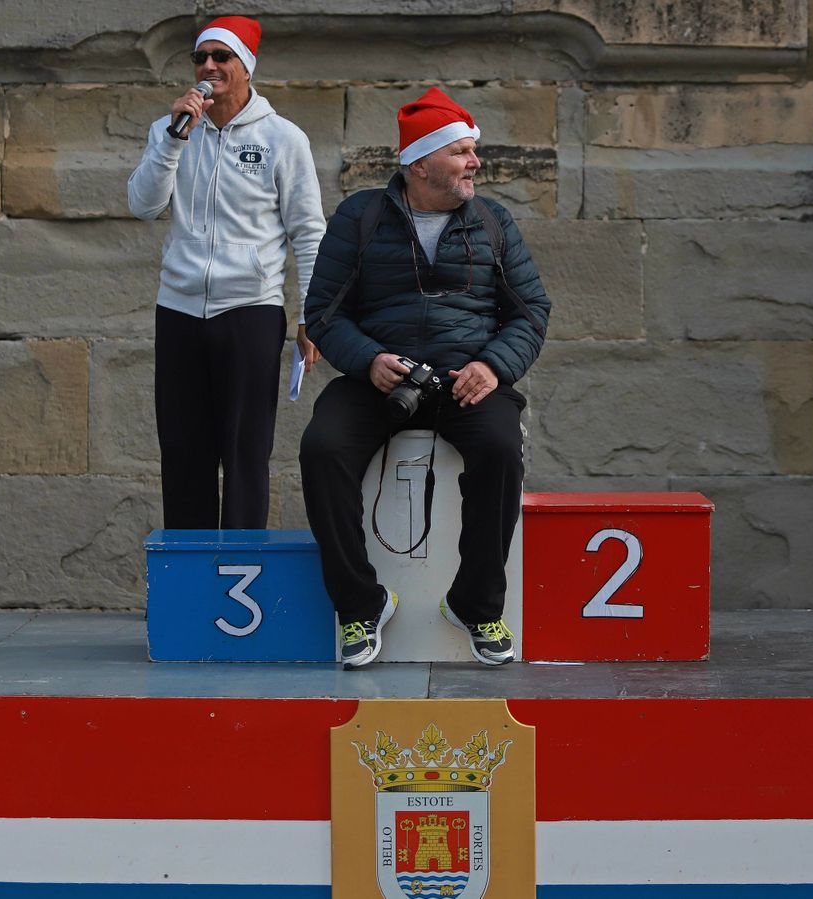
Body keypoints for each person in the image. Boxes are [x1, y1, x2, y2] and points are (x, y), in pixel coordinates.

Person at [300, 87, 552, 669]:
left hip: (469, 379)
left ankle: (476, 603)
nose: (475, 162)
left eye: (472, 150)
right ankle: (360, 605)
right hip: (379, 380)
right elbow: (324, 313)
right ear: (419, 164)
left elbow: (531, 311)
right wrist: (367, 360)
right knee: (322, 447)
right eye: (461, 151)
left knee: (498, 449)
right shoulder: (359, 217)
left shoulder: (494, 221)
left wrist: (492, 366)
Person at [127, 15, 325, 530]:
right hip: (179, 309)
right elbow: (143, 205)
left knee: (244, 452)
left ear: (246, 67)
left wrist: (311, 314)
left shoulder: (284, 139)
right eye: (200, 57)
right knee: (183, 448)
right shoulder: (170, 131)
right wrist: (173, 140)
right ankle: (193, 584)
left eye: (222, 56)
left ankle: (240, 574)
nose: (209, 66)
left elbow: (308, 231)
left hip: (251, 310)